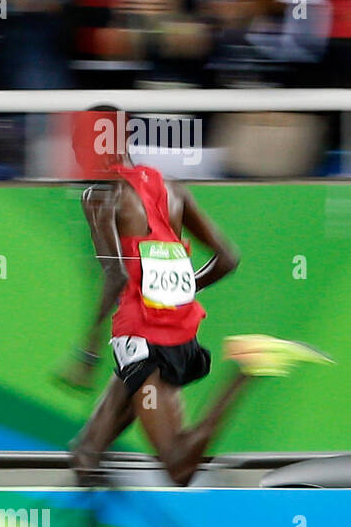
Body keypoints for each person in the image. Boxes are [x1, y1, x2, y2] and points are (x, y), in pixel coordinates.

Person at [59, 106, 333, 486]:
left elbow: (114, 274)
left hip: (143, 342)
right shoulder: (171, 188)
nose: (74, 153)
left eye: (76, 143)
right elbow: (227, 258)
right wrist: (181, 292)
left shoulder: (98, 195)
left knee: (178, 465)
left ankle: (245, 370)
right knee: (85, 455)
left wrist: (87, 354)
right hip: (170, 333)